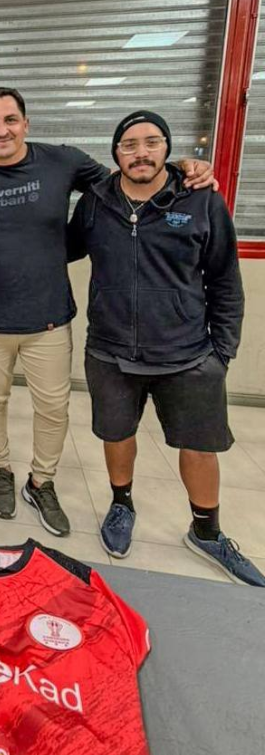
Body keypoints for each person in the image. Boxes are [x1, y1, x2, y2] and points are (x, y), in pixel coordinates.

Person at [0, 87, 214, 537]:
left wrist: (182, 167)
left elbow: (128, 178)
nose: (2, 130)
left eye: (10, 119)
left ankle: (41, 482)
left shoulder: (62, 161)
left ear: (26, 124)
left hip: (49, 319)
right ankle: (1, 469)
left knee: (52, 408)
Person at [68, 110, 263, 586]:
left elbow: (225, 281)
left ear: (167, 149)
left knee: (200, 447)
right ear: (116, 154)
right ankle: (122, 505)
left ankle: (207, 531)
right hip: (111, 351)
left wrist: (222, 354)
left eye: (151, 142)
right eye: (129, 145)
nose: (141, 153)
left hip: (188, 354)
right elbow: (62, 248)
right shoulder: (96, 203)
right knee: (117, 435)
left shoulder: (200, 200)